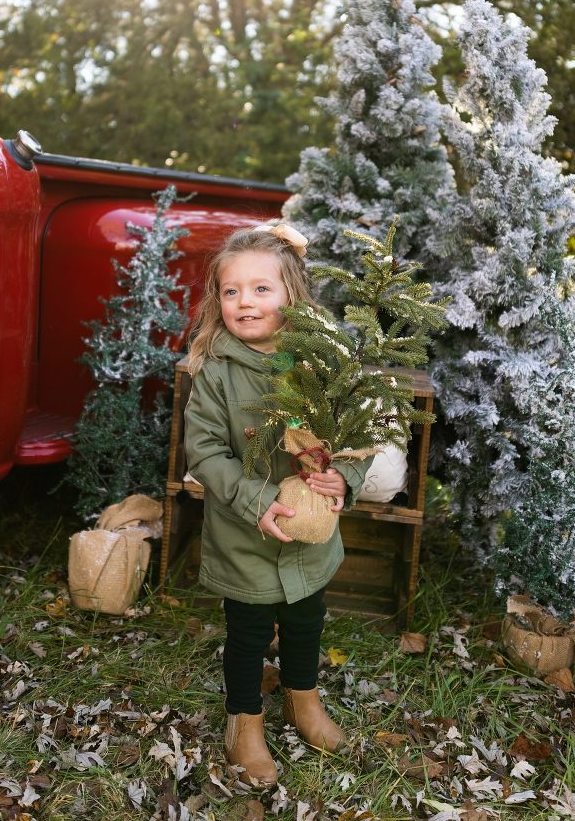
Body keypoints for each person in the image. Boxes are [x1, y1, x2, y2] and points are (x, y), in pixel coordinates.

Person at [184, 222, 373, 786]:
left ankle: (303, 699)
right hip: (246, 534)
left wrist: (346, 477)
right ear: (218, 300)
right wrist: (258, 500)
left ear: (291, 292)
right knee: (246, 632)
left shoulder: (319, 362)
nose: (245, 302)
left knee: (304, 620)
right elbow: (205, 452)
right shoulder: (216, 372)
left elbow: (360, 430)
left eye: (261, 289)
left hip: (311, 531)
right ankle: (244, 720)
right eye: (231, 290)